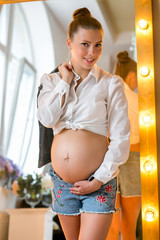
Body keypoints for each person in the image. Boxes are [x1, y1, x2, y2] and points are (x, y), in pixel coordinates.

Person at [37, 8, 130, 240]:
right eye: (85, 44)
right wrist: (65, 83)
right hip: (62, 183)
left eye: (98, 44)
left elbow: (121, 139)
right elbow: (47, 119)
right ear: (70, 43)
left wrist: (97, 180)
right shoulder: (51, 81)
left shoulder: (111, 84)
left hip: (98, 181)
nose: (92, 52)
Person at [107, 51, 141, 240]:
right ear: (132, 75)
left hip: (110, 159)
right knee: (129, 229)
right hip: (134, 158)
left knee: (111, 229)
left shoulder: (106, 98)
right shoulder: (140, 101)